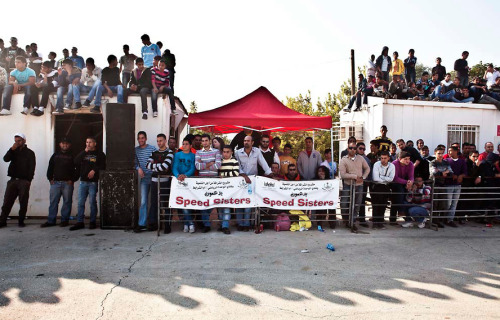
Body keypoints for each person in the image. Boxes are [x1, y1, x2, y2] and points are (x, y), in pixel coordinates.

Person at [235, 135, 271, 231]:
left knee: (249, 203)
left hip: (253, 181)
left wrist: (270, 174)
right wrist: (243, 175)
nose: (246, 142)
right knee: (239, 202)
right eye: (244, 140)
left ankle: (247, 224)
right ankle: (239, 223)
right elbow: (237, 166)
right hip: (240, 180)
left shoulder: (257, 151)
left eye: (248, 141)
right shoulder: (238, 152)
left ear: (252, 142)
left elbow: (263, 163)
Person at [0, 133, 36, 228]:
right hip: (12, 180)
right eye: (16, 141)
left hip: (24, 181)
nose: (17, 143)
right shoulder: (13, 151)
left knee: (23, 201)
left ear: (24, 140)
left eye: (19, 141)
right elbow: (5, 159)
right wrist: (11, 149)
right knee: (7, 201)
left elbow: (32, 167)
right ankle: (3, 220)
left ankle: (21, 221)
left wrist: (29, 180)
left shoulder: (30, 153)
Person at [71, 137, 106, 231]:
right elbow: (75, 161)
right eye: (87, 142)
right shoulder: (84, 153)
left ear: (95, 143)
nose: (88, 144)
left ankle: (92, 221)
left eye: (90, 142)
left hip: (93, 182)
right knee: (81, 202)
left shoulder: (100, 154)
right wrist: (84, 152)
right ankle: (80, 222)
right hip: (83, 181)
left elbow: (103, 165)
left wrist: (94, 170)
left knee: (92, 202)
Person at [42, 137, 78, 228]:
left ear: (69, 145)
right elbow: (50, 167)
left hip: (67, 183)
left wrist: (72, 179)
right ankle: (51, 221)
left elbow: (78, 169)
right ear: (59, 144)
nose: (64, 145)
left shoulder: (73, 156)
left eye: (66, 143)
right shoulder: (55, 155)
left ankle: (64, 221)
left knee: (67, 202)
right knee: (53, 202)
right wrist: (50, 179)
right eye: (63, 143)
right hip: (56, 183)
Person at [339, 142, 370, 231]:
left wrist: (363, 177)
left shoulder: (361, 158)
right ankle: (346, 220)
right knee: (344, 204)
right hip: (348, 185)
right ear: (348, 149)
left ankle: (352, 222)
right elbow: (343, 175)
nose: (353, 149)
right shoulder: (344, 160)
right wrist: (355, 177)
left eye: (354, 148)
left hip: (359, 185)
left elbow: (367, 168)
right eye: (351, 148)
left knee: (357, 204)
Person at [146, 134, 174, 232]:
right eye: (157, 141)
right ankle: (154, 224)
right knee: (153, 204)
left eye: (161, 140)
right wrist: (160, 166)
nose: (159, 143)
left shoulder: (170, 152)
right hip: (154, 181)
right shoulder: (154, 152)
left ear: (165, 141)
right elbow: (147, 165)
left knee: (166, 204)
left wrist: (155, 166)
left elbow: (165, 166)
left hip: (165, 182)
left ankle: (167, 225)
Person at [195, 134, 221, 232]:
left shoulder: (216, 151)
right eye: (203, 141)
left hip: (214, 181)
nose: (204, 142)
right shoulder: (198, 152)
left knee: (215, 202)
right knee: (204, 203)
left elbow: (218, 165)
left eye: (206, 140)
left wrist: (204, 165)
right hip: (203, 182)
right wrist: (210, 163)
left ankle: (221, 224)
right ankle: (206, 224)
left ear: (210, 141)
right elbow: (197, 166)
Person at [134, 131, 157, 232]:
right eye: (139, 138)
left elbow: (158, 159)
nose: (141, 140)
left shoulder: (152, 148)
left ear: (146, 138)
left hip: (153, 177)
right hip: (144, 178)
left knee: (154, 201)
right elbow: (134, 162)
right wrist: (138, 168)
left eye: (142, 138)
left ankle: (152, 222)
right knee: (143, 202)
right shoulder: (136, 150)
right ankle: (142, 224)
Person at [173, 137, 196, 233]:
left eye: (187, 144)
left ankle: (188, 223)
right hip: (179, 181)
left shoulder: (193, 156)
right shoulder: (177, 155)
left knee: (188, 203)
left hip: (189, 181)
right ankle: (189, 223)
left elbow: (192, 168)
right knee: (182, 203)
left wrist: (186, 175)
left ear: (191, 146)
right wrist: (178, 176)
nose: (184, 145)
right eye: (183, 143)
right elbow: (175, 167)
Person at [218, 145, 240, 234]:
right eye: (224, 152)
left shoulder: (234, 161)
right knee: (219, 207)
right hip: (219, 188)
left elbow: (235, 173)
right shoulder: (219, 161)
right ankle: (221, 224)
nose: (225, 154)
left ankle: (225, 226)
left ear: (231, 152)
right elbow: (217, 173)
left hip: (229, 188)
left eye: (227, 152)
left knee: (227, 207)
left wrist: (223, 175)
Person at [371, 151, 395, 229]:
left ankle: (380, 223)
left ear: (388, 158)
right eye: (381, 158)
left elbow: (391, 179)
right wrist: (385, 179)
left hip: (386, 187)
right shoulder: (376, 164)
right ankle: (375, 223)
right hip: (377, 186)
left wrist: (381, 177)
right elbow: (376, 179)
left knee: (383, 205)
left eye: (385, 158)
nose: (383, 160)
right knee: (375, 205)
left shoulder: (392, 166)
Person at [429, 147, 452, 228]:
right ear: (435, 153)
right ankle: (434, 220)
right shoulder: (432, 162)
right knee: (435, 203)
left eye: (442, 153)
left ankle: (440, 220)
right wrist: (443, 173)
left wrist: (442, 172)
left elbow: (451, 172)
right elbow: (434, 173)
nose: (440, 155)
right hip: (435, 185)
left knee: (443, 203)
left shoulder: (446, 162)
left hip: (443, 185)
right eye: (439, 153)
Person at [444, 146, 467, 227]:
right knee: (448, 203)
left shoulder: (462, 161)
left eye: (450, 151)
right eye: (448, 151)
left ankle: (450, 219)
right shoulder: (446, 160)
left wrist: (461, 176)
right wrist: (451, 174)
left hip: (458, 185)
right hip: (448, 184)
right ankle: (444, 218)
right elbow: (445, 170)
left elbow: (465, 172)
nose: (449, 152)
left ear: (456, 151)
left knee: (454, 203)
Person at [389, 152, 414, 225]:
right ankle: (394, 218)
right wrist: (407, 182)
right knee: (396, 197)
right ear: (400, 159)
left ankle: (407, 217)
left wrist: (410, 182)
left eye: (409, 159)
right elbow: (395, 178)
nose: (408, 161)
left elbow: (411, 176)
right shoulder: (394, 164)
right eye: (405, 159)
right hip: (395, 183)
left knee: (407, 198)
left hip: (405, 183)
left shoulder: (411, 164)